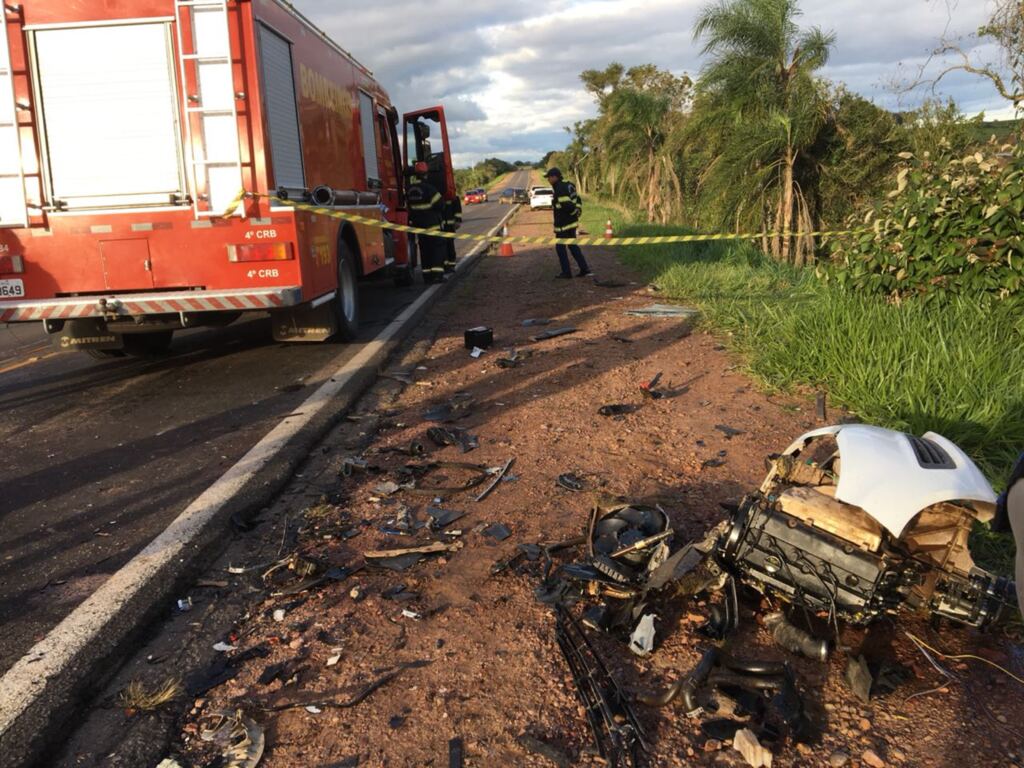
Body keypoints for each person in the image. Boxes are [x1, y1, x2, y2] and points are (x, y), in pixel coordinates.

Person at [546, 167, 591, 279]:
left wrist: (574, 212)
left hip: (563, 225)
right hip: (571, 224)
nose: (548, 180)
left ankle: (566, 273)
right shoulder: (569, 185)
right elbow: (578, 200)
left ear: (555, 177)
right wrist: (577, 212)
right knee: (573, 246)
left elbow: (567, 205)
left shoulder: (560, 188)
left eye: (549, 177)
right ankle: (584, 269)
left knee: (560, 248)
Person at [406, 162, 446, 284]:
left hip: (419, 227)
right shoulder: (429, 189)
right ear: (426, 174)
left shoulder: (409, 190)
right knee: (437, 250)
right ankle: (437, 276)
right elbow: (440, 205)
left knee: (425, 251)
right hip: (432, 225)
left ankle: (427, 276)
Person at [441, 194, 463, 273]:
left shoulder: (452, 196)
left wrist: (457, 220)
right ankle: (448, 265)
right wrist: (457, 220)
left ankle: (450, 265)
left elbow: (457, 210)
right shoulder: (452, 196)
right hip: (447, 226)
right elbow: (458, 210)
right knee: (448, 245)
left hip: (444, 226)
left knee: (447, 245)